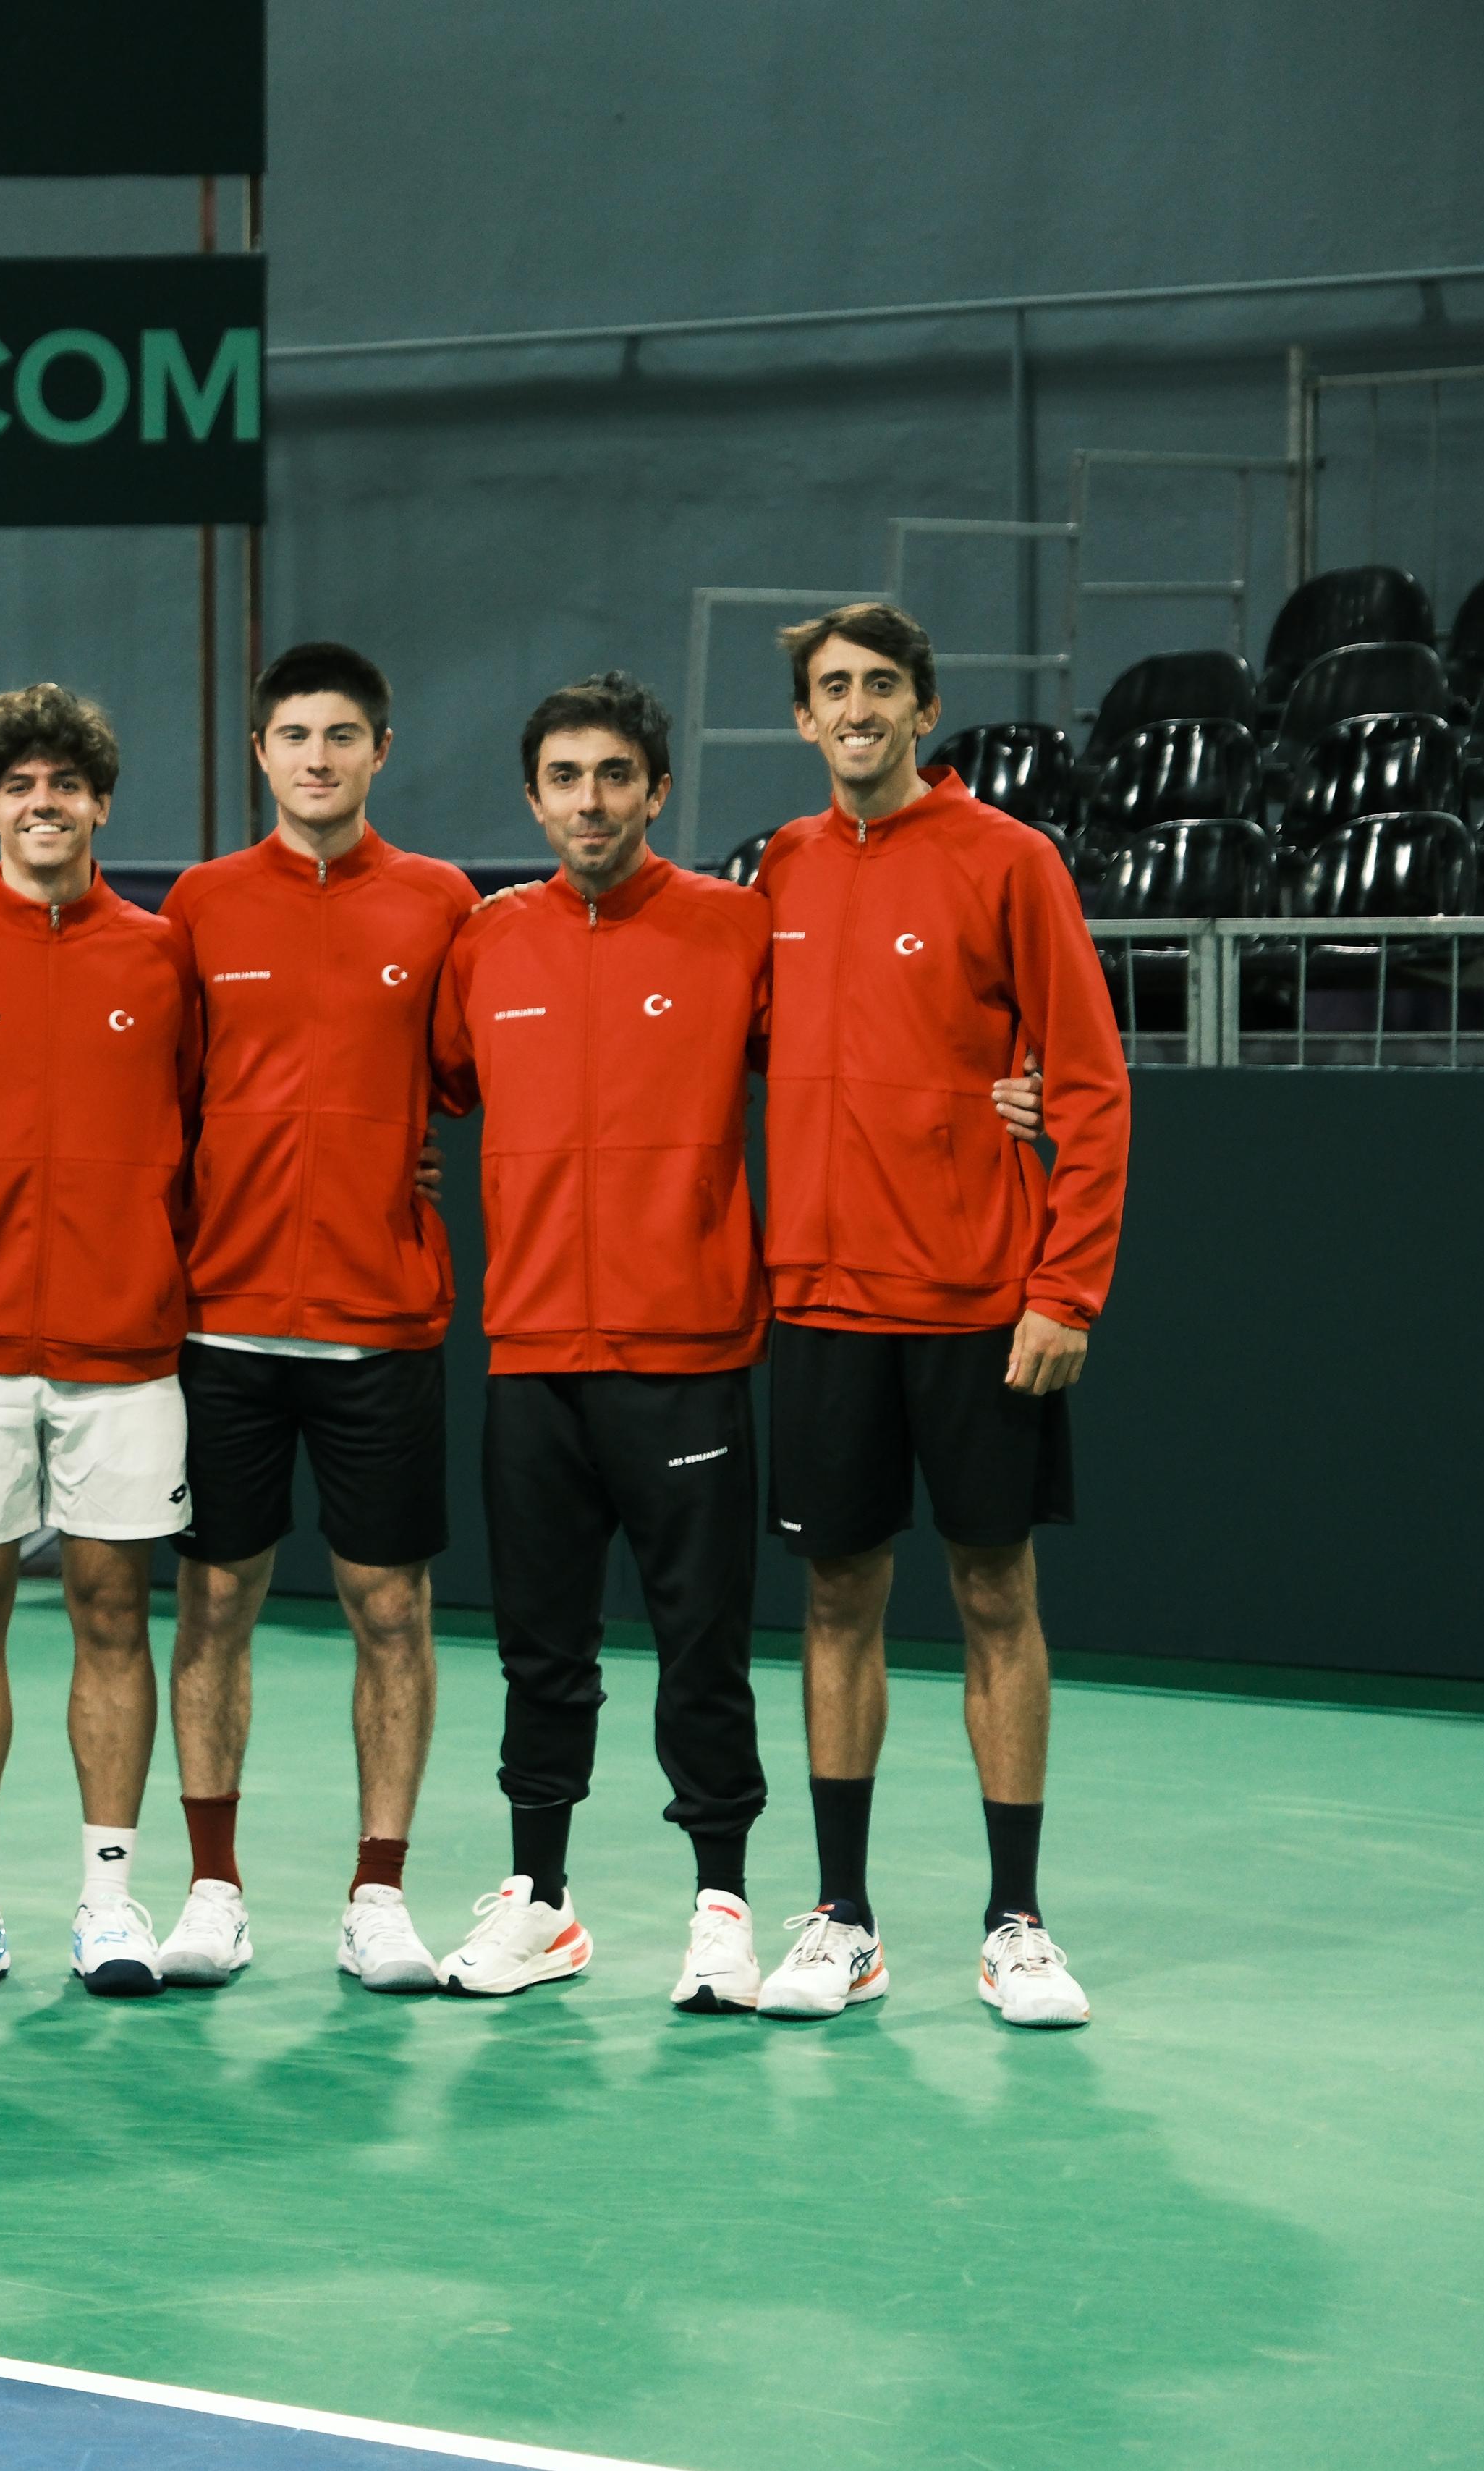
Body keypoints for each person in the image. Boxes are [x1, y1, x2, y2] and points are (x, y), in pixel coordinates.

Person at [754, 601, 1129, 2030]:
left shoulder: (1010, 862)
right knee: (836, 1596)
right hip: (824, 1310)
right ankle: (840, 1918)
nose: (854, 707)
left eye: (880, 685)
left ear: (921, 707)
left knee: (994, 1595)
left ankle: (1015, 1922)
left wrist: (1064, 1287)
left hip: (983, 1307)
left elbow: (1088, 1086)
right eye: (830, 687)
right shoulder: (775, 869)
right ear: (803, 718)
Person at [428, 672, 776, 2009]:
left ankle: (720, 1910)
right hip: (531, 1364)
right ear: (533, 796)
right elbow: (432, 1086)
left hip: (686, 1357)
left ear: (658, 789)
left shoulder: (740, 928)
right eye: (565, 777)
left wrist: (1002, 1088)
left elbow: (843, 1057)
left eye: (614, 774)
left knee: (703, 1651)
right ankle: (545, 1904)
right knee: (540, 1650)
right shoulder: (486, 941)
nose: (590, 799)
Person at [156, 642, 475, 1995]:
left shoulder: (443, 903)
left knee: (389, 1609)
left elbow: (479, 1067)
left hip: (378, 1321)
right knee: (215, 1601)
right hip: (222, 1321)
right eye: (295, 735)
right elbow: (152, 1081)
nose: (318, 758)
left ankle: (380, 1894)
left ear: (380, 752)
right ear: (262, 753)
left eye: (344, 735)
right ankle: (213, 1888)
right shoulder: (200, 904)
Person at [0, 683, 198, 1999]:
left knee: (113, 1610)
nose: (43, 803)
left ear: (101, 802)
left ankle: (112, 1904)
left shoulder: (164, 952)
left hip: (127, 1346)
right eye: (17, 786)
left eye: (64, 782)